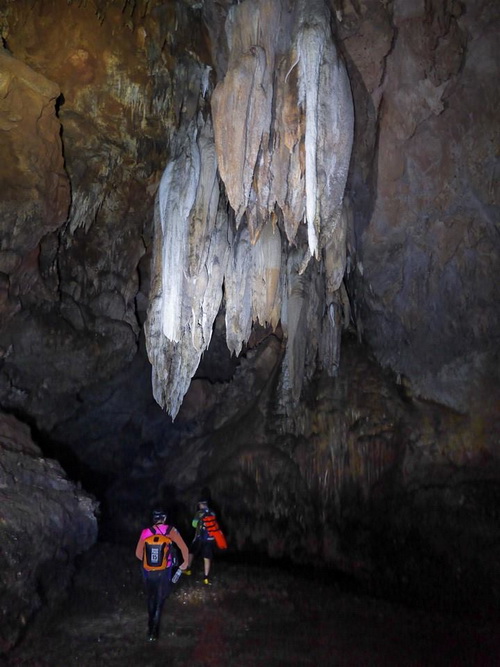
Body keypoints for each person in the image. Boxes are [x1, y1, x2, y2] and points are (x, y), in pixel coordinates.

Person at [135, 508, 189, 641]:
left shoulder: (146, 532)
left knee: (151, 598)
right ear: (164, 519)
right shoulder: (171, 531)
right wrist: (185, 563)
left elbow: (138, 554)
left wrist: (149, 562)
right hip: (165, 570)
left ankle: (149, 627)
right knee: (160, 600)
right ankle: (154, 632)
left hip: (148, 571)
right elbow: (184, 548)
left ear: (153, 519)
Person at [185, 499, 218, 585]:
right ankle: (206, 577)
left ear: (201, 505)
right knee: (207, 557)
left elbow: (194, 524)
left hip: (200, 538)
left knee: (191, 551)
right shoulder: (212, 512)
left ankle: (188, 569)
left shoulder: (199, 513)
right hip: (210, 538)